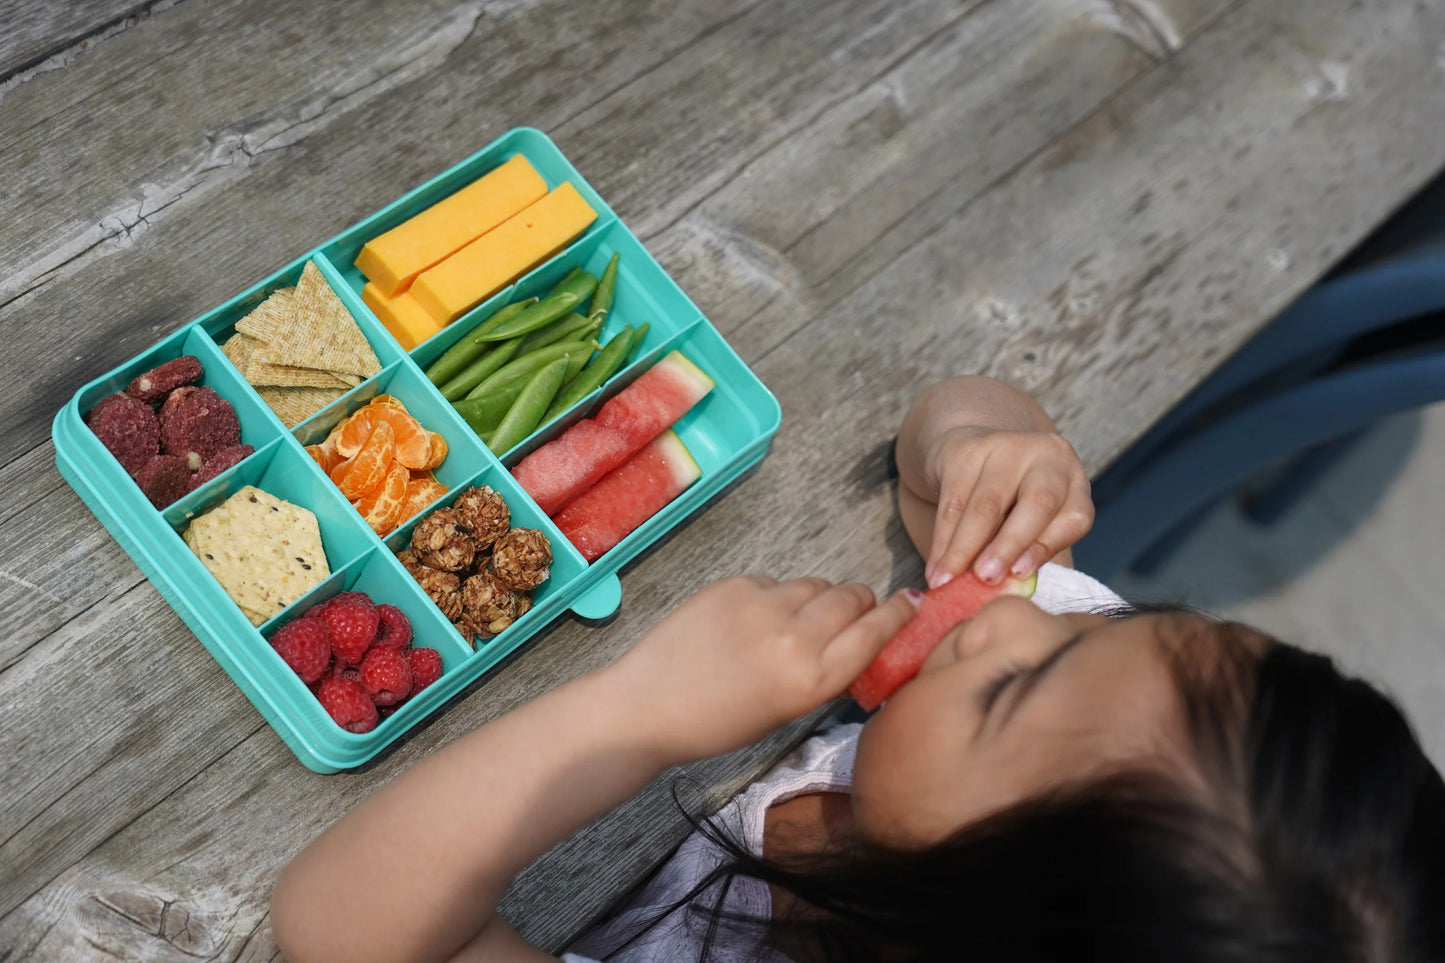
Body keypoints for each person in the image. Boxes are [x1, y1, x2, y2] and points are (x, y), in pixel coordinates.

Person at [271, 376, 1445, 963]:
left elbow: (341, 925)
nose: (1017, 616)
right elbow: (943, 430)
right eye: (1103, 627)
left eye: (1006, 693)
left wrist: (635, 709)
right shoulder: (1095, 706)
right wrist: (987, 447)